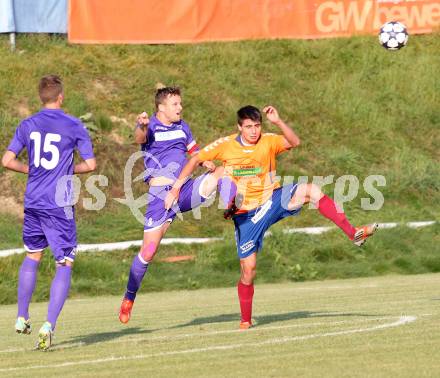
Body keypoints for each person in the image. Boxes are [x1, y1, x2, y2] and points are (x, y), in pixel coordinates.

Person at [165, 105, 378, 329]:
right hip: (247, 215)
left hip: (273, 199)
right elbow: (194, 159)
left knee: (311, 190)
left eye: (257, 126)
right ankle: (245, 320)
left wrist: (278, 121)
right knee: (249, 270)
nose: (254, 131)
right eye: (248, 127)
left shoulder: (268, 140)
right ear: (239, 127)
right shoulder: (226, 145)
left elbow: (295, 142)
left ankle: (353, 233)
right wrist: (175, 189)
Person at [118, 86, 231, 323]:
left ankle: (232, 207)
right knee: (148, 252)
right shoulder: (152, 127)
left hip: (184, 189)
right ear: (161, 108)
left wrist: (205, 162)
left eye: (180, 103)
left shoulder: (183, 127)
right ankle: (129, 297)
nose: (180, 108)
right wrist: (141, 126)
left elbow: (195, 152)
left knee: (223, 171)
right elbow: (139, 138)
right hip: (161, 196)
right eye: (175, 104)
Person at [1, 74, 96, 350]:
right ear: (61, 97)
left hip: (33, 201)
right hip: (59, 203)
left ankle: (21, 316)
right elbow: (90, 164)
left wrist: (28, 169)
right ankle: (48, 326)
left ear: (41, 97)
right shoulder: (74, 125)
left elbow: (7, 160)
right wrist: (67, 170)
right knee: (64, 262)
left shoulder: (28, 124)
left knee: (32, 255)